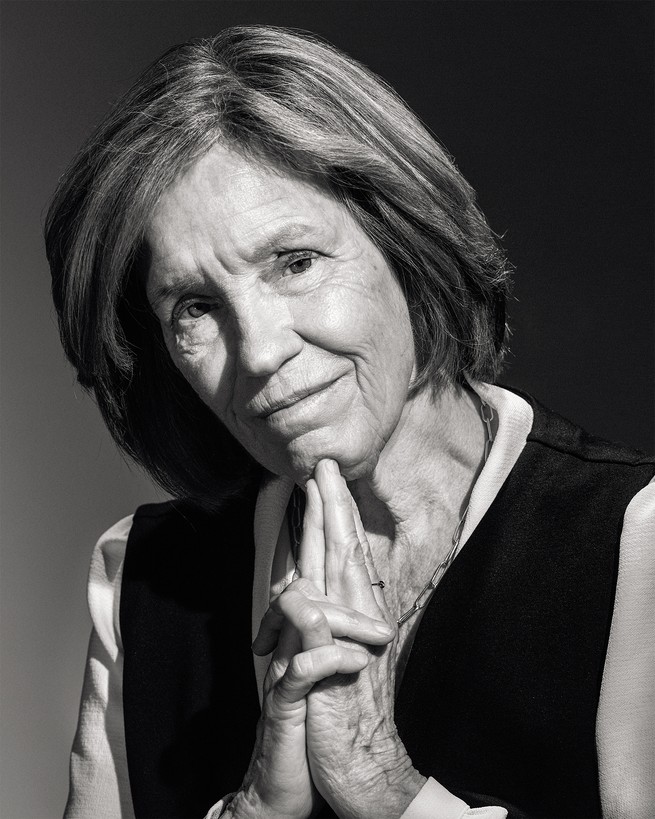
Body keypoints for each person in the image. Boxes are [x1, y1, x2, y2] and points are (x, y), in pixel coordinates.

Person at [45, 25, 654, 819]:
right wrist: (258, 810)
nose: (259, 352)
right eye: (195, 307)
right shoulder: (142, 580)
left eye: (294, 261)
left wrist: (384, 786)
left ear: (409, 241)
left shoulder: (635, 540)